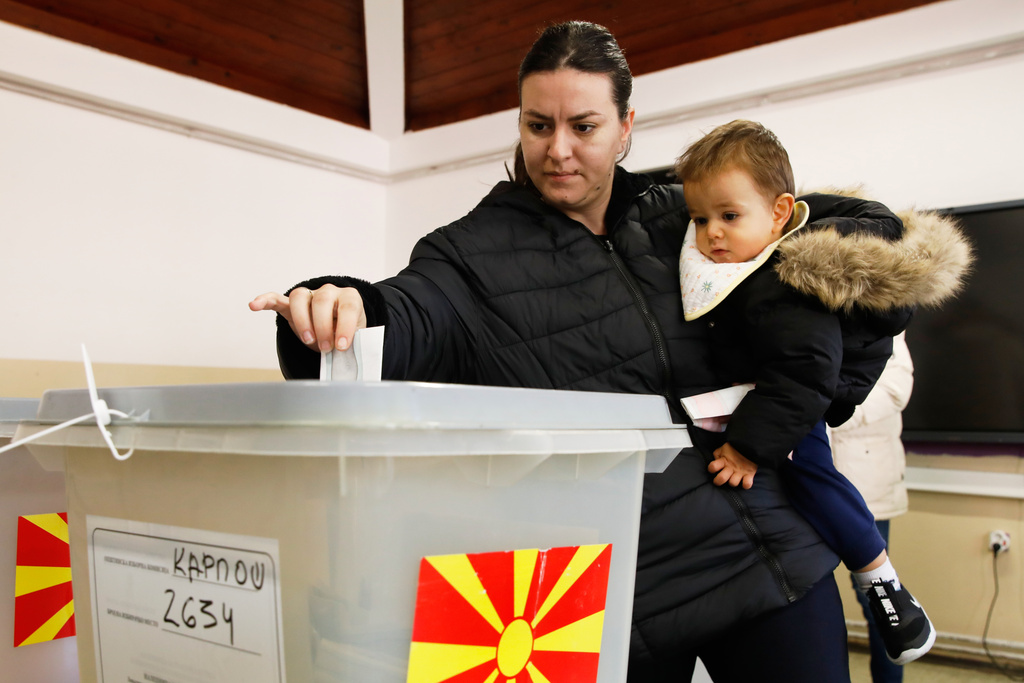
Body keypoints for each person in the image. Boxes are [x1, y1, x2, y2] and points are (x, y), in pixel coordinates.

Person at [250, 21, 942, 683]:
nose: (557, 150)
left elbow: (868, 243)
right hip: (612, 601)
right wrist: (335, 308)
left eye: (583, 127)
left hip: (773, 564)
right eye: (537, 125)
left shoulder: (691, 213)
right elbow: (400, 313)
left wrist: (826, 377)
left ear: (625, 128)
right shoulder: (468, 257)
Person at [675, 119, 969, 665]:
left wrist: (750, 446)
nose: (711, 232)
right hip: (764, 402)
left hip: (786, 411)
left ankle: (886, 589)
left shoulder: (784, 280)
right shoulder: (736, 266)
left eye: (729, 216)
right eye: (700, 218)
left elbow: (807, 369)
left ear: (781, 213)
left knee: (812, 480)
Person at [831, 331, 915, 683]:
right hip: (803, 475)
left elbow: (896, 388)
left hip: (865, 481)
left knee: (880, 601)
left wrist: (827, 411)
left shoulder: (882, 310)